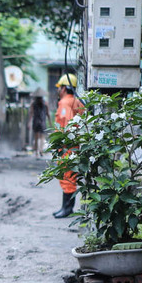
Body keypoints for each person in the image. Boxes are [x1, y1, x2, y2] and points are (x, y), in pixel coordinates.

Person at [53, 73, 85, 218]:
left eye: (59, 87)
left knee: (67, 177)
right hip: (74, 145)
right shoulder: (77, 102)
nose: (58, 90)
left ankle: (67, 208)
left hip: (67, 147)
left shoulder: (65, 103)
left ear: (64, 88)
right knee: (69, 176)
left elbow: (66, 126)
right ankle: (65, 207)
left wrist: (61, 145)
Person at [29, 89, 50, 157]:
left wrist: (29, 122)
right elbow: (48, 114)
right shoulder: (45, 103)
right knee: (42, 137)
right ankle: (40, 150)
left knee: (36, 137)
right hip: (42, 121)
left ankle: (37, 152)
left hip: (36, 121)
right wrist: (49, 122)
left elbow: (31, 113)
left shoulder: (33, 104)